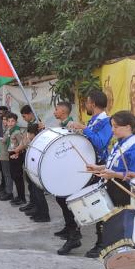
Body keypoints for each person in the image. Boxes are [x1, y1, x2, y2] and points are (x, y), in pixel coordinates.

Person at [63, 111, 135, 257]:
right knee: (110, 227)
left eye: (115, 127)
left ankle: (126, 266)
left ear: (127, 127)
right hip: (113, 188)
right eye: (112, 126)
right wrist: (98, 168)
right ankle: (115, 259)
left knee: (123, 231)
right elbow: (114, 166)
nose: (112, 130)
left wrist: (114, 175)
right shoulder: (121, 143)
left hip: (125, 193)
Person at [64, 92, 113, 252]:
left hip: (98, 168)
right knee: (64, 197)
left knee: (97, 204)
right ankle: (73, 234)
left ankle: (101, 243)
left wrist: (84, 129)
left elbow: (100, 144)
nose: (86, 105)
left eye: (87, 102)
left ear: (93, 103)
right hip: (87, 166)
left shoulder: (106, 122)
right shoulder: (94, 121)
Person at [50, 101, 83, 254]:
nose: (54, 111)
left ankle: (74, 234)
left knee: (67, 200)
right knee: (60, 198)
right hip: (64, 168)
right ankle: (69, 227)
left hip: (72, 169)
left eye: (56, 109)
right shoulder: (63, 124)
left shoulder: (71, 125)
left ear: (63, 111)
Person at [18, 106, 50, 222]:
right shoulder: (31, 123)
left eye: (24, 116)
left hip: (36, 159)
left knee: (37, 188)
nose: (24, 118)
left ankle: (42, 212)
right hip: (30, 157)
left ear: (31, 114)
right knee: (31, 186)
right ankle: (34, 206)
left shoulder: (38, 123)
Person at [6, 113, 26, 206]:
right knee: (14, 176)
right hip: (11, 154)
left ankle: (22, 198)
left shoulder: (17, 132)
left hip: (17, 155)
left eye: (12, 121)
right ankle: (19, 196)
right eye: (9, 121)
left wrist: (17, 153)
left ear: (16, 121)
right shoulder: (10, 130)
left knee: (18, 177)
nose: (10, 123)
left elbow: (22, 144)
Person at [0, 115, 14, 201]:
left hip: (6, 155)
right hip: (2, 154)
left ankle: (9, 192)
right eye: (3, 120)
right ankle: (6, 189)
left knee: (8, 174)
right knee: (5, 174)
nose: (4, 121)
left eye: (5, 120)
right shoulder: (5, 129)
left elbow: (4, 140)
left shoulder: (9, 131)